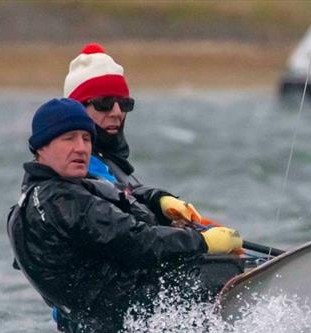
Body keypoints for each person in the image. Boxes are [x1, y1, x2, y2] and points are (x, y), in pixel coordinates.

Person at [7, 98, 242, 333]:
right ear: (41, 147)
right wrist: (204, 242)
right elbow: (139, 242)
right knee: (221, 268)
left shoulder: (33, 200)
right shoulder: (61, 200)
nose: (81, 148)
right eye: (68, 138)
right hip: (136, 320)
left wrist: (159, 200)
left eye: (86, 138)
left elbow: (118, 192)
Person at [62, 42, 205, 226]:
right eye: (104, 103)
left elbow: (131, 203)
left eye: (124, 104)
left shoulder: (112, 162)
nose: (116, 113)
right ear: (78, 108)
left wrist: (163, 204)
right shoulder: (75, 167)